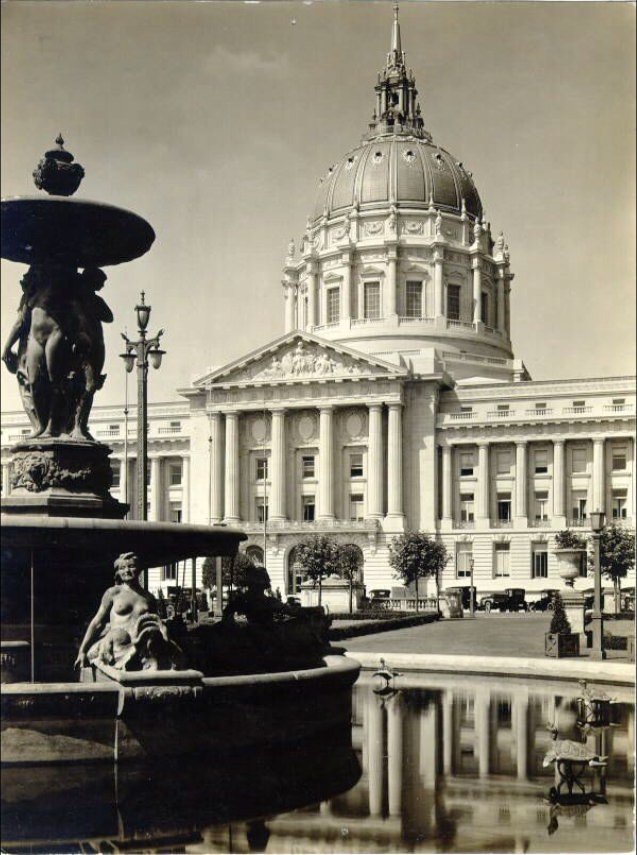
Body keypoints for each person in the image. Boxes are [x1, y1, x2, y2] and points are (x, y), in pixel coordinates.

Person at [74, 552, 182, 671]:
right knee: (118, 636)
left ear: (139, 569)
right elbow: (96, 622)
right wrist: (82, 651)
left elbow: (156, 622)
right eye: (122, 568)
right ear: (118, 572)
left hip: (142, 646)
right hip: (119, 644)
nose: (127, 571)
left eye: (131, 566)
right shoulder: (113, 593)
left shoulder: (148, 597)